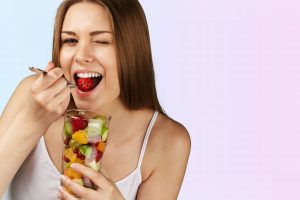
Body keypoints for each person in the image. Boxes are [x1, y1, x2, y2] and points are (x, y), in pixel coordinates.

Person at [0, 0, 191, 199]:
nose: (82, 56)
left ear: (132, 50)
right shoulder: (31, 95)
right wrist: (32, 121)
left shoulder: (167, 141)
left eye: (101, 41)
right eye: (70, 41)